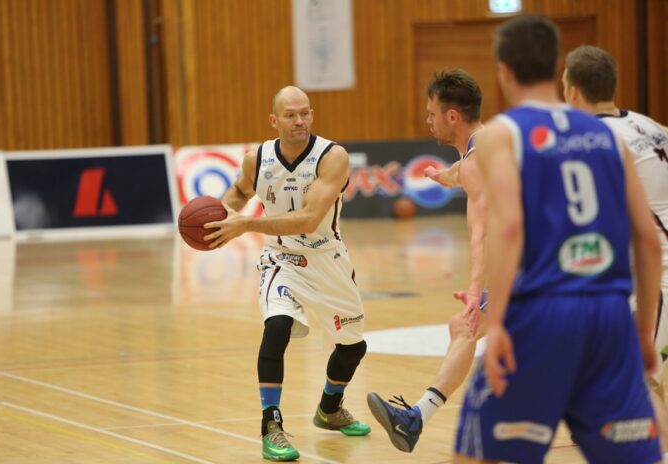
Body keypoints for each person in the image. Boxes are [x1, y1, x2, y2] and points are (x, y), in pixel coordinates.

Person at [454, 14, 662, 464]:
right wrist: (644, 333)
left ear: (503, 70)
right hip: (608, 316)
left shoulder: (502, 134)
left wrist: (499, 321)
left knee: (478, 454)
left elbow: (507, 228)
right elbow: (647, 241)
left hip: (542, 314)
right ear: (557, 68)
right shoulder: (609, 136)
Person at [204, 86, 371, 461]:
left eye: (305, 113)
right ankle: (271, 425)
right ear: (274, 120)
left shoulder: (332, 157)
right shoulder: (257, 159)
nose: (300, 121)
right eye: (291, 115)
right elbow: (238, 193)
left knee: (353, 347)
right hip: (281, 258)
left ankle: (329, 408)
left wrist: (246, 224)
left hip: (327, 257)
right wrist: (217, 217)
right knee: (277, 327)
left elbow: (309, 219)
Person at [366, 69, 488, 453]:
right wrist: (445, 176)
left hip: (531, 266)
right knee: (464, 329)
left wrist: (474, 290)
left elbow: (482, 233)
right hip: (551, 259)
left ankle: (415, 419)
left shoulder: (477, 162)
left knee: (468, 326)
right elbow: (462, 171)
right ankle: (416, 418)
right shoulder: (489, 146)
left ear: (452, 116)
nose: (428, 119)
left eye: (432, 113)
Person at [562, 44, 668, 455]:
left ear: (572, 91)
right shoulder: (650, 125)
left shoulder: (593, 141)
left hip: (658, 275)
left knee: (636, 384)